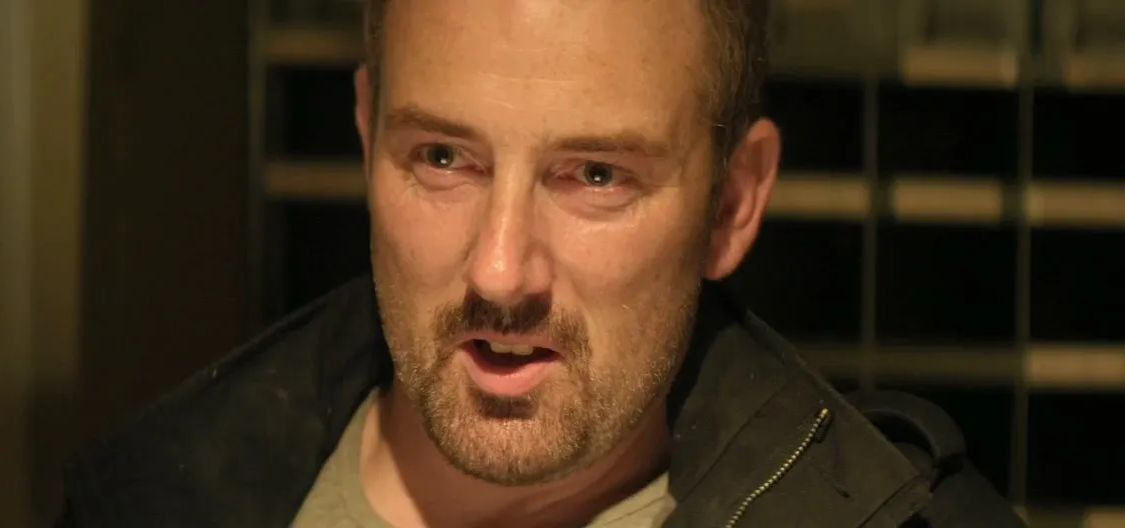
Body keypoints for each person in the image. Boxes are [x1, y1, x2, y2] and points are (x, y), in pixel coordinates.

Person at [55, 0, 1026, 526]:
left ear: (731, 203)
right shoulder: (155, 496)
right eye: (443, 158)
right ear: (366, 137)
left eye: (595, 174)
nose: (500, 270)